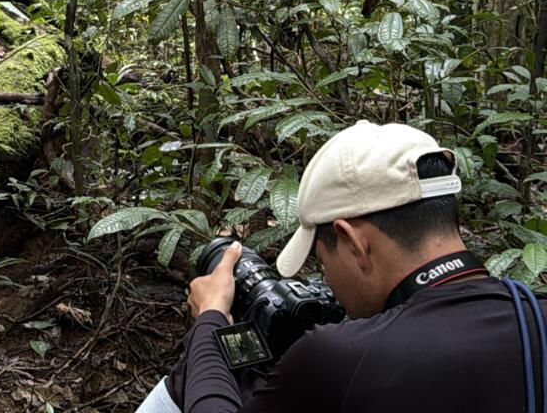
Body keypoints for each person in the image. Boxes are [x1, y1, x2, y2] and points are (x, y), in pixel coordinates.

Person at [137, 120, 547, 413]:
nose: (328, 282)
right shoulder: (536, 316)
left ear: (353, 242)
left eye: (321, 260)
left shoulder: (342, 358)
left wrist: (210, 322)